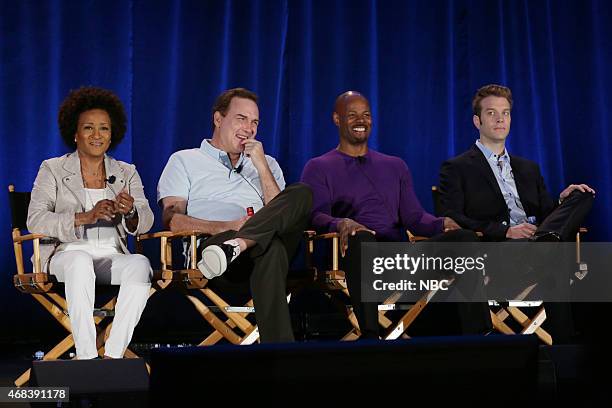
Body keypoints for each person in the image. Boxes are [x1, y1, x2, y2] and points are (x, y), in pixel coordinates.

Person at [300, 91, 491, 339]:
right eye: (352, 115)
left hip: (399, 259)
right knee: (362, 239)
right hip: (353, 256)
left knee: (464, 240)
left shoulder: (394, 165)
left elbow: (415, 218)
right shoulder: (318, 167)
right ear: (337, 119)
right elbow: (313, 216)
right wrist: (341, 223)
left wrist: (440, 223)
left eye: (366, 115)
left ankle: (482, 335)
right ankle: (370, 335)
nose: (361, 120)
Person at [438, 84, 595, 341]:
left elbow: (547, 212)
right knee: (557, 260)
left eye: (506, 113)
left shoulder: (528, 168)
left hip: (537, 243)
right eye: (491, 113)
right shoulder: (456, 168)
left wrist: (562, 201)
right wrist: (507, 231)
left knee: (582, 194)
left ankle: (547, 242)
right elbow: (452, 218)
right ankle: (565, 349)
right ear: (477, 120)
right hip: (497, 252)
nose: (500, 119)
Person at [157, 87, 312, 343]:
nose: (249, 128)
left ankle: (240, 243)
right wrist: (227, 226)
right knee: (270, 246)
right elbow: (173, 220)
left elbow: (281, 213)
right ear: (218, 119)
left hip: (258, 252)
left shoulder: (268, 163)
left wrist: (260, 165)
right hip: (214, 256)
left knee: (302, 193)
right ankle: (281, 354)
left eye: (254, 122)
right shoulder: (184, 160)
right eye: (241, 118)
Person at [27, 86, 154, 359]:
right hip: (66, 256)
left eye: (104, 129)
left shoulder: (126, 172)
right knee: (81, 260)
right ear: (74, 133)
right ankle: (86, 356)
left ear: (113, 134)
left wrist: (131, 212)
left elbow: (146, 221)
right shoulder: (52, 169)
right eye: (88, 128)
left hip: (111, 257)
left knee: (141, 265)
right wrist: (86, 216)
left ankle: (113, 355)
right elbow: (35, 220)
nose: (97, 135)